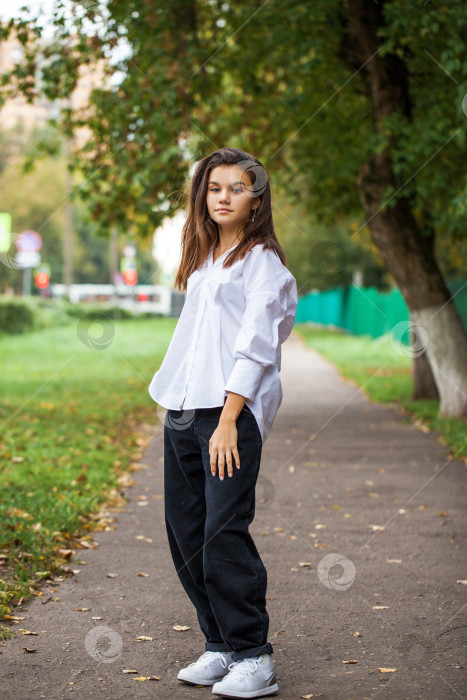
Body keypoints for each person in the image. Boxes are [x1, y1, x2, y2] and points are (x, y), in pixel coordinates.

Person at [148, 146, 298, 699]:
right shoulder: (205, 259)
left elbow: (256, 347)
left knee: (221, 533)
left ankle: (254, 656)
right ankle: (220, 645)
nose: (224, 197)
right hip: (184, 411)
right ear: (202, 195)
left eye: (237, 187)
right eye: (215, 188)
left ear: (256, 199)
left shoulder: (263, 264)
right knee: (185, 534)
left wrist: (230, 419)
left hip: (228, 414)